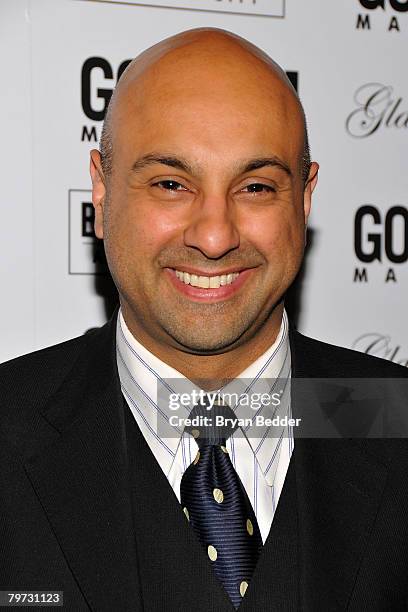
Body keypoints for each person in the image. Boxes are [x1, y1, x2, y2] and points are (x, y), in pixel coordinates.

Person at [1, 27, 408, 612]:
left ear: (305, 198)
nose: (215, 236)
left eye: (256, 186)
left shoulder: (390, 418)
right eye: (171, 184)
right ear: (102, 190)